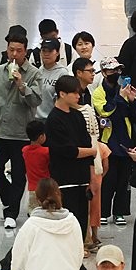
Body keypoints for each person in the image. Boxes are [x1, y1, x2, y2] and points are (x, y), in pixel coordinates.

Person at [0, 31, 42, 228]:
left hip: (22, 134)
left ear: (25, 52)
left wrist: (21, 85)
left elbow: (36, 100)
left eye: (19, 50)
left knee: (18, 174)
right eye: (11, 50)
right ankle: (10, 201)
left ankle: (12, 213)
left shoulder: (34, 73)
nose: (14, 54)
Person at [45, 76, 96, 238]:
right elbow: (68, 151)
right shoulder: (53, 119)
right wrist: (93, 151)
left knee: (81, 220)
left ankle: (80, 247)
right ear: (62, 93)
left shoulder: (77, 116)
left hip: (82, 178)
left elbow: (86, 144)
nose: (78, 96)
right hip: (64, 179)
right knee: (67, 220)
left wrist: (92, 178)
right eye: (74, 93)